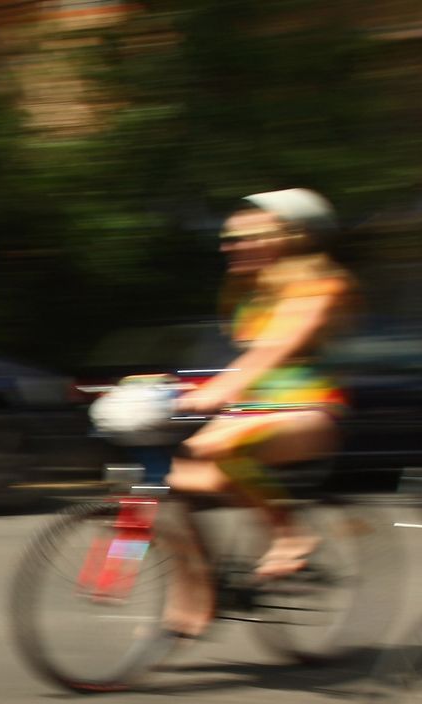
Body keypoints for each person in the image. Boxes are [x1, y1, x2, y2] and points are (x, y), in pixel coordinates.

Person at [161, 188, 356, 638]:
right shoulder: (252, 295)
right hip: (249, 410)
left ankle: (290, 534)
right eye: (228, 238)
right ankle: (197, 593)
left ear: (291, 238)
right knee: (173, 483)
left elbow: (275, 349)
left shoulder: (319, 287)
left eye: (247, 237)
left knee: (223, 448)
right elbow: (244, 361)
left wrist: (225, 387)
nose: (230, 247)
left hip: (307, 410)